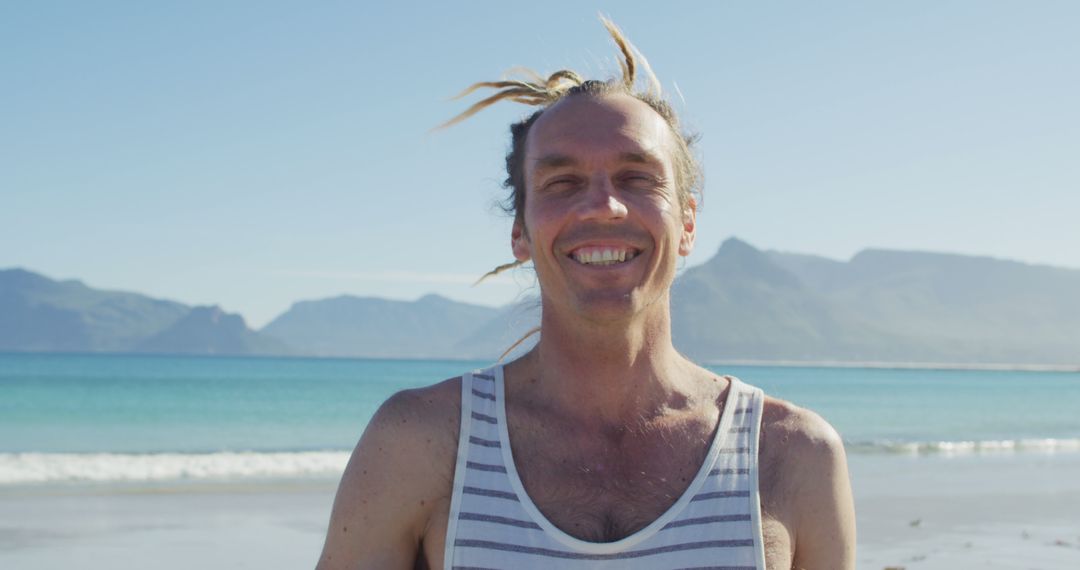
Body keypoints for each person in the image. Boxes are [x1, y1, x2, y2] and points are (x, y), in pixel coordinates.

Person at [317, 19, 855, 570]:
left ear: (688, 223)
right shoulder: (420, 443)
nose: (603, 206)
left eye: (637, 178)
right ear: (520, 231)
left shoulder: (792, 454)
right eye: (562, 182)